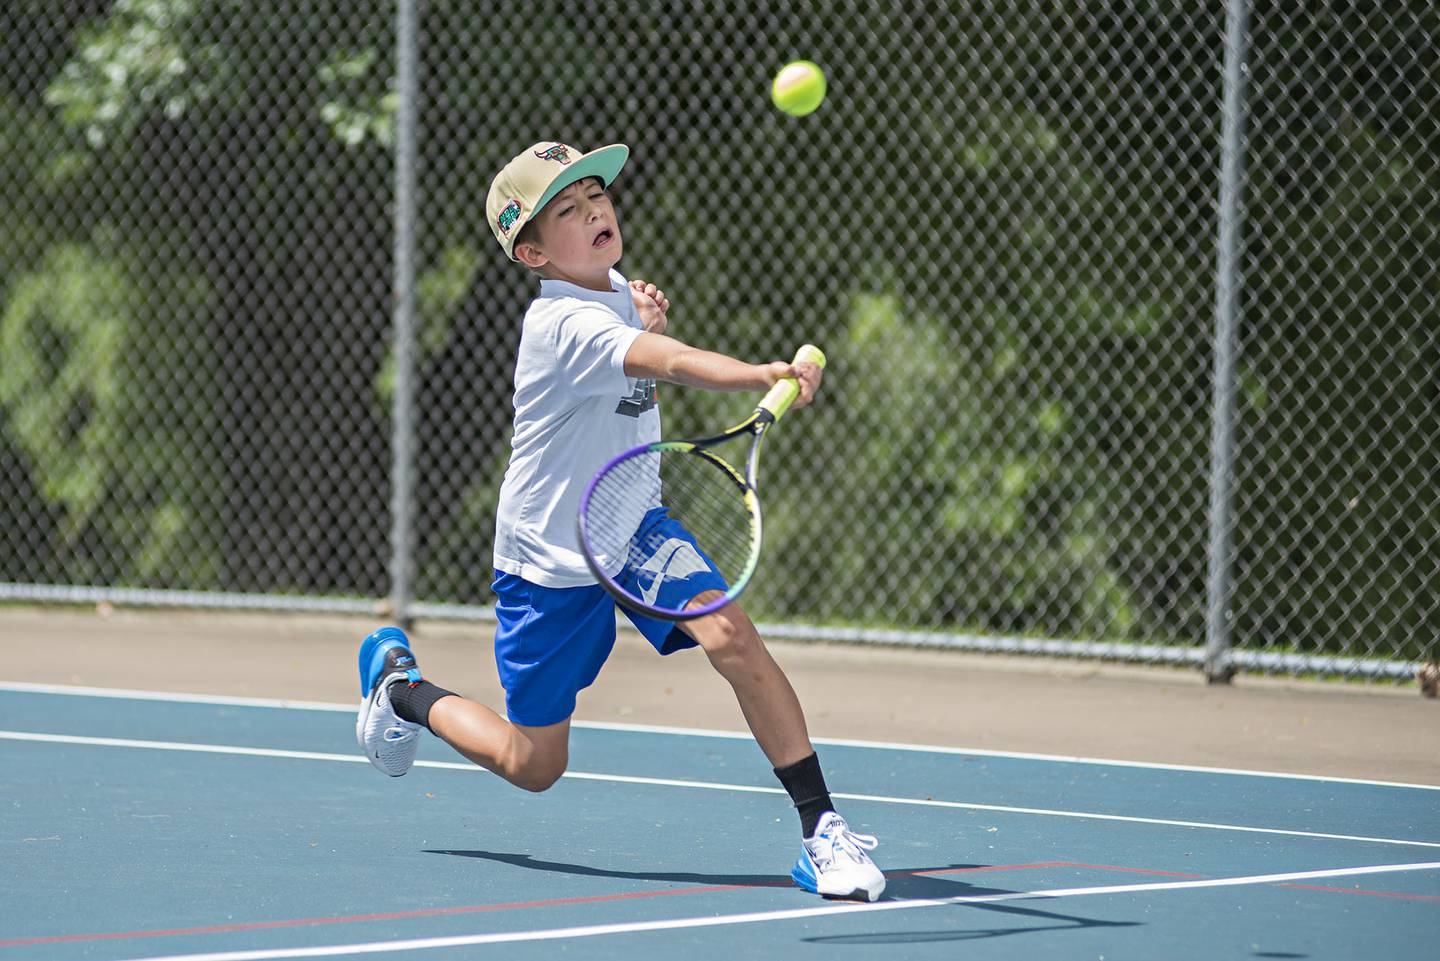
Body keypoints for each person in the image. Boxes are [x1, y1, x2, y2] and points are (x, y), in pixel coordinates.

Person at [356, 141, 885, 902]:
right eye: (567, 209)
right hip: (551, 560)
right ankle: (402, 689)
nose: (595, 210)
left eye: (596, 194)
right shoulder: (561, 325)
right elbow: (665, 362)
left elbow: (633, 398)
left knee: (732, 637)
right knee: (533, 764)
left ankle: (821, 830)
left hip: (634, 525)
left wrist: (642, 323)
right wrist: (758, 373)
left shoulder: (615, 299)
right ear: (532, 251)